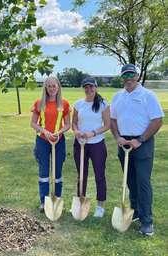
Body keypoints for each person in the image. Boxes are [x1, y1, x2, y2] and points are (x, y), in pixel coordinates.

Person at [110, 63, 164, 236]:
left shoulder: (148, 95)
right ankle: (135, 212)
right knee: (130, 181)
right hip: (123, 142)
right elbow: (112, 120)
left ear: (137, 76)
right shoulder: (117, 96)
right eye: (125, 76)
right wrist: (118, 137)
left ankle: (147, 222)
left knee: (142, 182)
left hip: (142, 143)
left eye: (131, 75)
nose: (128, 79)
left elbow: (157, 120)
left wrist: (140, 140)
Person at [72, 77, 110, 218]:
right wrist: (76, 132)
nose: (89, 89)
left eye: (91, 87)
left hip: (97, 144)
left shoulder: (103, 104)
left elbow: (107, 125)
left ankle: (100, 205)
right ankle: (80, 201)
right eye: (86, 87)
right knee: (81, 174)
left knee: (99, 175)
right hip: (80, 144)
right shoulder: (78, 104)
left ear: (96, 87)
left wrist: (92, 133)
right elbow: (74, 123)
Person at [31, 76, 71, 211]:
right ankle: (44, 201)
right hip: (43, 140)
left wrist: (58, 132)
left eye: (54, 86)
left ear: (58, 87)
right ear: (45, 88)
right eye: (49, 86)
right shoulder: (39, 103)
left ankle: (57, 199)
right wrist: (44, 131)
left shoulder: (64, 104)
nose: (52, 88)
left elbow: (68, 124)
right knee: (43, 171)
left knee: (57, 170)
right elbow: (33, 123)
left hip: (59, 141)